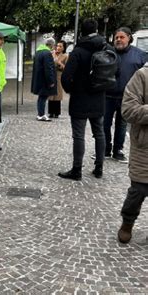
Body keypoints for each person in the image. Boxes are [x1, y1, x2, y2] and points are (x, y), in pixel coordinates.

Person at [58, 19, 107, 181]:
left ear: (81, 32)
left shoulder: (78, 50)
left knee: (78, 136)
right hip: (98, 97)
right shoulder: (106, 47)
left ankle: (77, 170)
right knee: (99, 133)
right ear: (97, 29)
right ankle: (99, 168)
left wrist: (72, 90)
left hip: (80, 98)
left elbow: (65, 77)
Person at [103, 27, 147, 163]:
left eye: (122, 37)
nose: (118, 40)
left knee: (121, 125)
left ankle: (118, 150)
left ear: (129, 38)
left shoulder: (140, 55)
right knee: (105, 124)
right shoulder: (107, 53)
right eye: (116, 37)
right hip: (107, 95)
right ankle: (105, 150)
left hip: (127, 98)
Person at [117, 62, 148, 243]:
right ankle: (127, 223)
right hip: (145, 147)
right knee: (138, 191)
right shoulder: (142, 75)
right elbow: (128, 110)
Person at [31, 37, 57, 121]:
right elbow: (48, 68)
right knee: (43, 97)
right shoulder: (47, 53)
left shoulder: (38, 52)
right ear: (51, 45)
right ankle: (41, 114)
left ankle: (40, 113)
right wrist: (51, 81)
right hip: (44, 80)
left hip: (39, 78)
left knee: (41, 97)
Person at [48, 41, 68, 118]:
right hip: (51, 76)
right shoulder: (51, 54)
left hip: (59, 76)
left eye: (60, 46)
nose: (58, 48)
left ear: (63, 48)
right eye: (57, 46)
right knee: (51, 94)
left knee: (58, 94)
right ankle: (50, 112)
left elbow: (66, 68)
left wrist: (59, 63)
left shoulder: (65, 56)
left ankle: (56, 112)